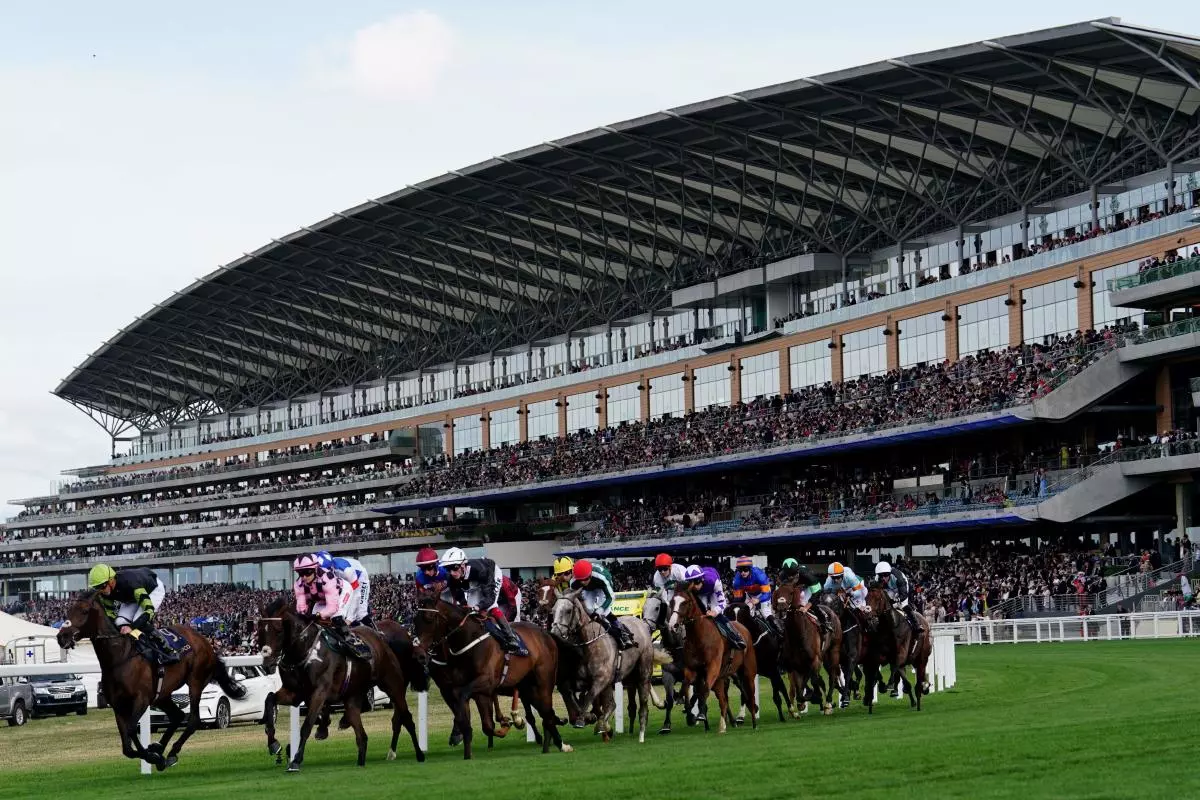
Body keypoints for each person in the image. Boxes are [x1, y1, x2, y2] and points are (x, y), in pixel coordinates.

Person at [439, 547, 528, 656]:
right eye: (448, 569)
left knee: (491, 606)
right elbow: (459, 596)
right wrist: (466, 606)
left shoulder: (481, 571)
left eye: (454, 568)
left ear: (463, 565)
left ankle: (512, 638)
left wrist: (478, 606)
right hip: (476, 579)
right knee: (472, 611)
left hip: (492, 572)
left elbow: (489, 598)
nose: (452, 572)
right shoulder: (451, 577)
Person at [87, 564, 176, 660]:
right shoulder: (104, 592)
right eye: (97, 588)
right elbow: (110, 615)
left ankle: (167, 649)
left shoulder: (131, 583)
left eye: (102, 586)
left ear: (111, 580)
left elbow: (149, 610)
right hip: (131, 596)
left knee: (138, 621)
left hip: (152, 589)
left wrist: (131, 627)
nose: (101, 590)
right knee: (119, 622)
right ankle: (135, 646)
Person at [292, 553, 369, 658]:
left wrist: (349, 619)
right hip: (323, 597)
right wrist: (303, 615)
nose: (304, 577)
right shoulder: (299, 583)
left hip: (346, 589)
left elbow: (333, 608)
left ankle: (355, 642)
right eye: (301, 573)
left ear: (315, 569)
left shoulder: (330, 577)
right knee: (312, 623)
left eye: (308, 572)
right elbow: (301, 606)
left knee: (339, 617)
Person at [570, 559, 635, 650]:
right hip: (588, 590)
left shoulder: (601, 577)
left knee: (604, 612)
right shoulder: (573, 582)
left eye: (586, 579)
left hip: (602, 587)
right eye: (580, 580)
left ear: (590, 574)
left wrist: (600, 610)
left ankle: (622, 633)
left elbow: (610, 597)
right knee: (588, 609)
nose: (583, 582)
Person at [681, 564, 745, 650]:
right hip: (701, 593)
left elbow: (722, 603)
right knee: (701, 612)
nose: (695, 586)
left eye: (697, 582)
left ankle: (736, 636)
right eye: (691, 583)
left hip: (712, 587)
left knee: (717, 614)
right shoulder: (689, 587)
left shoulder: (713, 582)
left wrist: (715, 612)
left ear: (702, 579)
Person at [730, 556, 782, 640]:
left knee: (765, 613)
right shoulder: (737, 580)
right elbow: (738, 599)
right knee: (745, 614)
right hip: (750, 596)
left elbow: (767, 594)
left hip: (762, 594)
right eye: (740, 570)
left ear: (750, 569)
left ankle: (779, 633)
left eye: (745, 569)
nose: (743, 572)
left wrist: (758, 600)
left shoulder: (759, 575)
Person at [316, 551, 372, 627]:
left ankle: (375, 630)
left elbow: (356, 594)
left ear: (331, 567)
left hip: (359, 577)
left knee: (360, 614)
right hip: (342, 580)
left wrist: (349, 619)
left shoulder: (346, 571)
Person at [875, 561, 923, 638]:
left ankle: (917, 625)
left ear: (889, 573)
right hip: (890, 589)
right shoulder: (877, 579)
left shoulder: (898, 577)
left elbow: (904, 595)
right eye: (881, 575)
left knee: (903, 605)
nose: (883, 578)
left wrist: (897, 600)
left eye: (886, 575)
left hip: (901, 588)